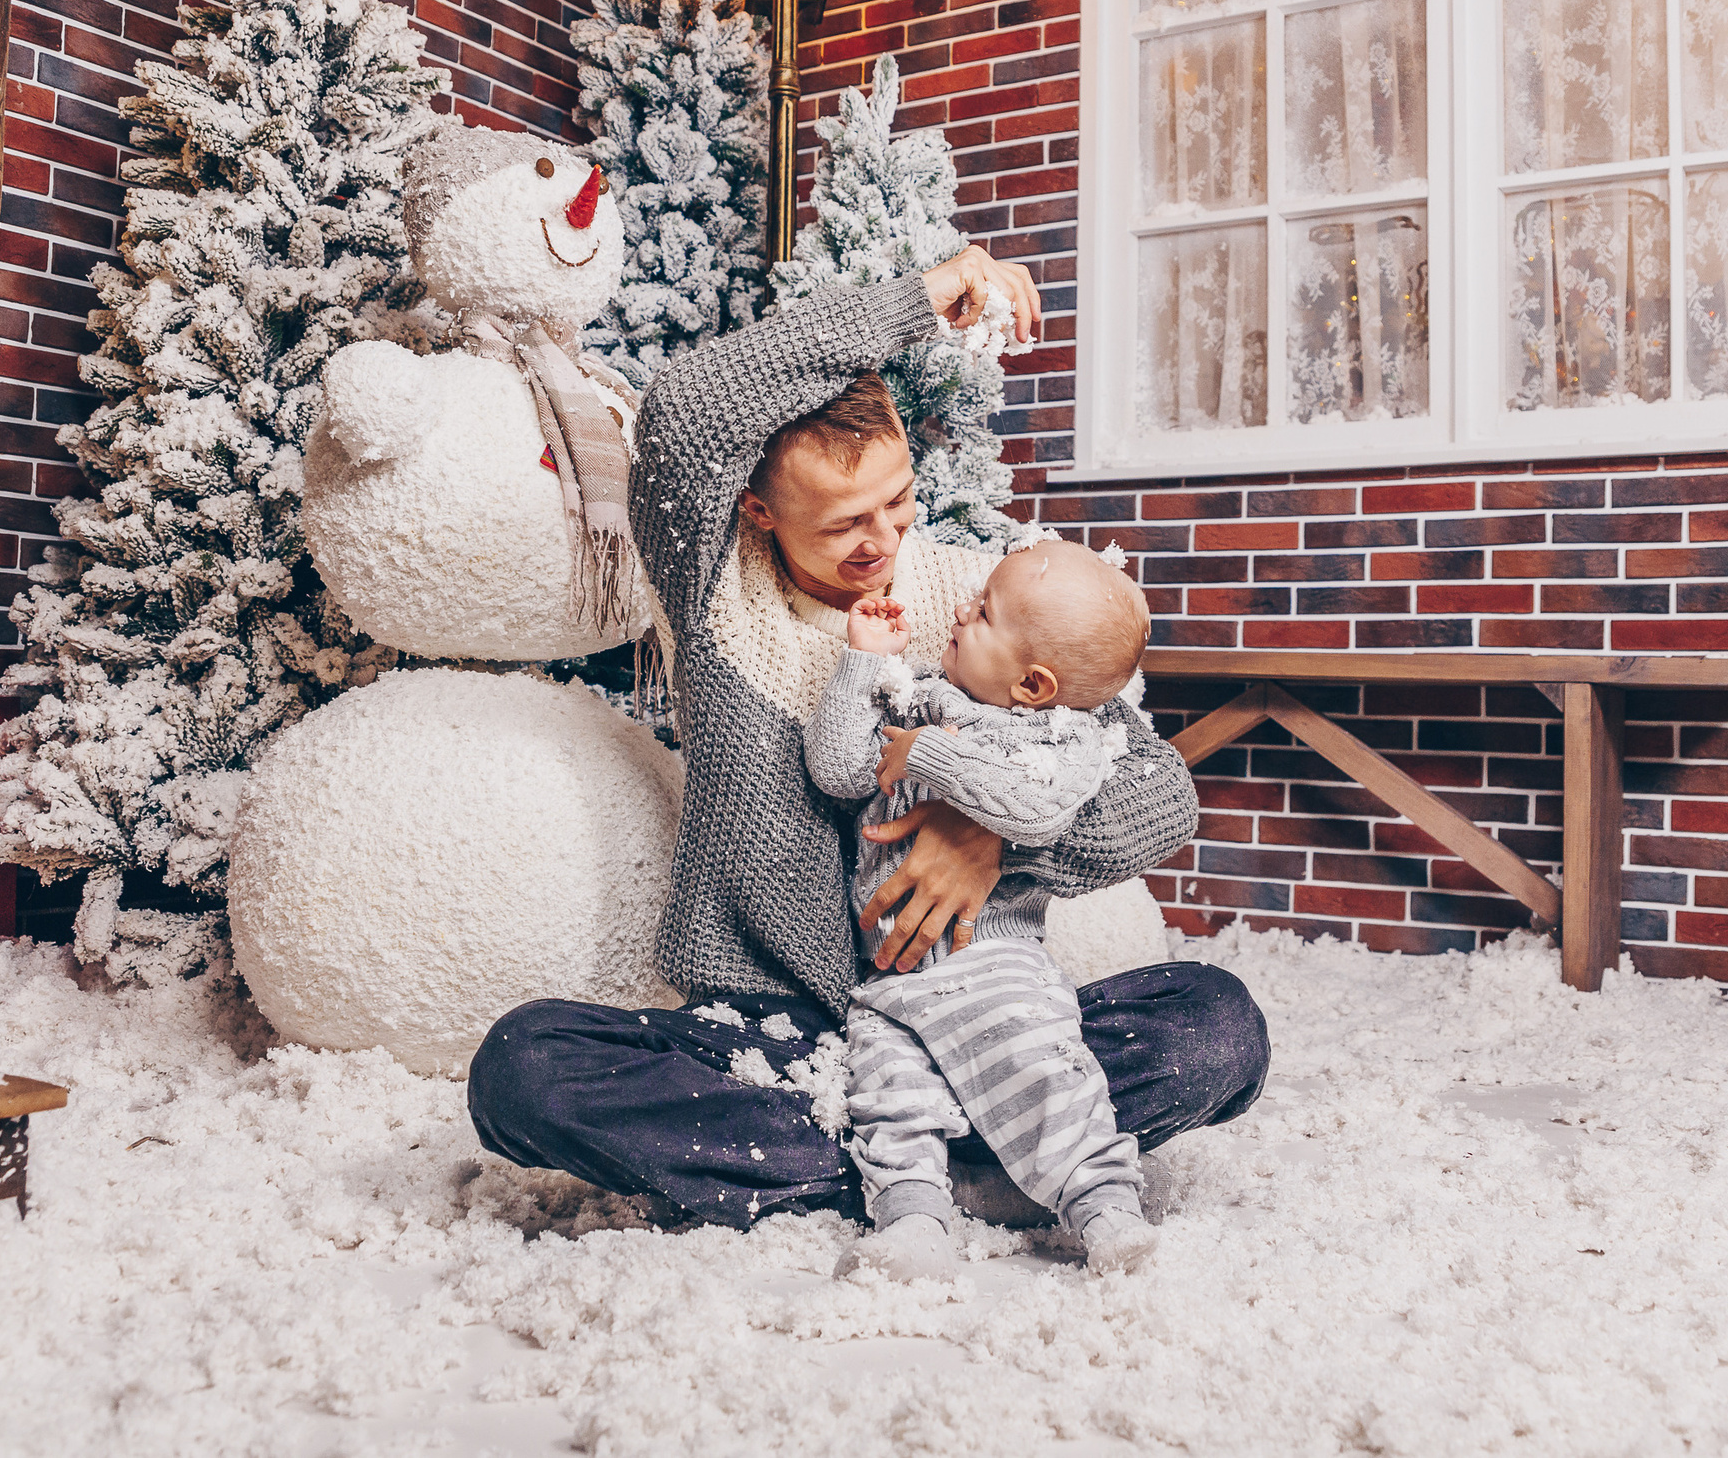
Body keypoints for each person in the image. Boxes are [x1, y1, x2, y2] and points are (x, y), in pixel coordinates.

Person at [466, 251, 1270, 1229]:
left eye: (896, 501)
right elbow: (685, 406)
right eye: (843, 520)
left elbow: (1156, 789)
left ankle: (893, 1165)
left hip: (982, 1021)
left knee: (1216, 1026)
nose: (880, 540)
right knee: (525, 1068)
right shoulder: (716, 591)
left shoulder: (979, 604)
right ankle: (977, 1168)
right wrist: (912, 305)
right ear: (758, 512)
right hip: (771, 1034)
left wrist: (993, 836)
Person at [811, 543, 1162, 1280]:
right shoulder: (917, 696)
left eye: (984, 612)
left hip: (993, 967)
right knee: (887, 1099)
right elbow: (840, 770)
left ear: (1035, 683)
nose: (962, 610)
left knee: (1049, 1077)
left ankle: (1105, 1207)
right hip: (889, 983)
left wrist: (928, 756)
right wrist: (862, 665)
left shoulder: (1057, 737)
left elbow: (1034, 809)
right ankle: (914, 1223)